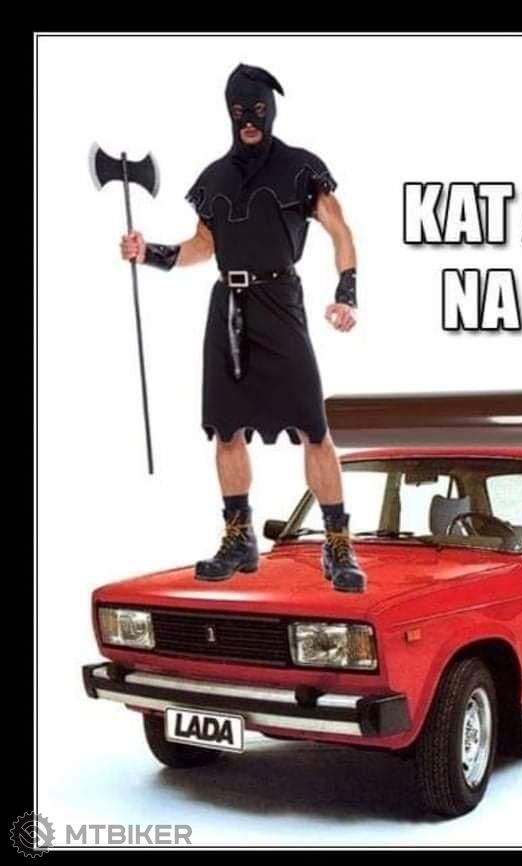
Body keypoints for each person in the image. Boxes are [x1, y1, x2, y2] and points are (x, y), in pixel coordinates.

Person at [119, 63, 366, 592]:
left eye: (256, 110)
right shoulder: (215, 179)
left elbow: (339, 230)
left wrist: (346, 292)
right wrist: (149, 253)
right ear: (228, 115)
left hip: (280, 301)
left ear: (270, 111)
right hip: (227, 308)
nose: (248, 121)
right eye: (239, 112)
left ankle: (338, 545)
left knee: (313, 426)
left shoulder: (301, 169)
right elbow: (202, 246)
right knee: (226, 428)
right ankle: (239, 538)